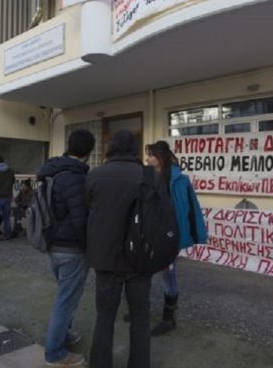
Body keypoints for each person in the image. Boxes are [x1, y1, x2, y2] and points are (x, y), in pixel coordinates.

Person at [86, 130, 158, 368]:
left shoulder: (95, 175)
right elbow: (160, 219)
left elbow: (86, 215)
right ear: (135, 149)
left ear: (111, 148)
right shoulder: (149, 176)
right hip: (140, 259)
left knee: (105, 318)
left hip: (105, 259)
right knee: (140, 319)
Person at [37, 129, 96, 367]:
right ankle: (56, 353)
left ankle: (63, 335)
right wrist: (89, 249)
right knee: (66, 300)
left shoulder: (51, 172)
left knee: (64, 295)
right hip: (71, 247)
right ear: (88, 153)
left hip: (53, 244)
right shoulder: (75, 178)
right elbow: (81, 220)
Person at [144, 140, 208, 335]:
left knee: (168, 274)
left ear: (161, 157)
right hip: (149, 234)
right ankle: (141, 310)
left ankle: (169, 318)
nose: (147, 159)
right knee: (143, 271)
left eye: (151, 155)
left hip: (170, 236)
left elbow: (191, 207)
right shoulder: (146, 177)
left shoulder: (181, 179)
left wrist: (195, 233)